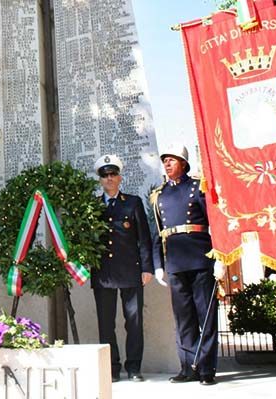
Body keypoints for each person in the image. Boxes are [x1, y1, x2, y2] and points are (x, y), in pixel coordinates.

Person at [151, 144, 218, 386]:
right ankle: (188, 366)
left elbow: (215, 223)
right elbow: (158, 233)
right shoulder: (159, 194)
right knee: (184, 318)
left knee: (206, 315)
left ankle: (207, 368)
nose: (167, 164)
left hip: (200, 257)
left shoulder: (198, 187)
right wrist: (158, 264)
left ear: (184, 163)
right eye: (165, 160)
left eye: (172, 159)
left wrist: (220, 256)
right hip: (175, 262)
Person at [92, 155, 154, 383]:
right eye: (105, 176)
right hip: (104, 274)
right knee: (106, 324)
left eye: (112, 174)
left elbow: (144, 239)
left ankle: (134, 367)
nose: (109, 179)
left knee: (134, 322)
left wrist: (147, 268)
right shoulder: (93, 207)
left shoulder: (133, 202)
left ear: (119, 177)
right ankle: (112, 368)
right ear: (100, 180)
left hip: (130, 272)